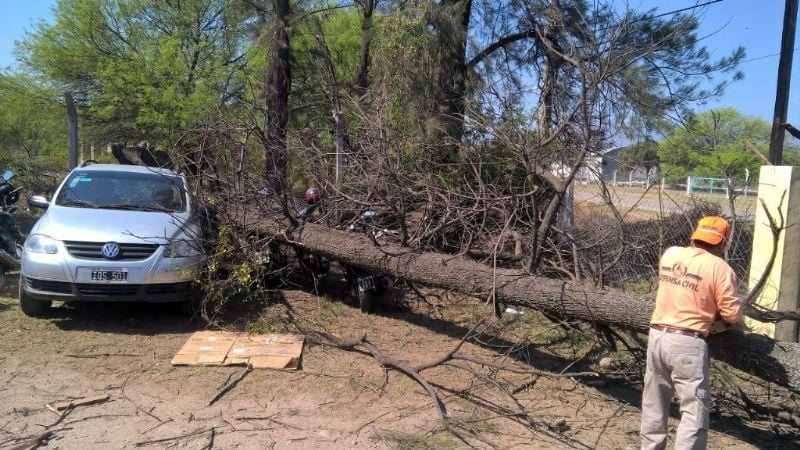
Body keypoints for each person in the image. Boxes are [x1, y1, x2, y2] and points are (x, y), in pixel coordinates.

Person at [640, 216, 742, 450]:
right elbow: (733, 316)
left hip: (657, 336)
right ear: (722, 242)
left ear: (695, 235)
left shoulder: (671, 254)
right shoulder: (720, 268)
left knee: (654, 403)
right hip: (687, 343)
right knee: (693, 412)